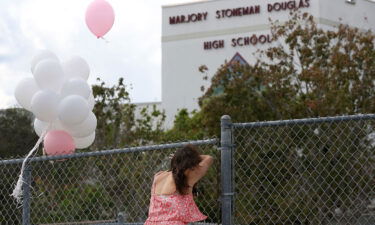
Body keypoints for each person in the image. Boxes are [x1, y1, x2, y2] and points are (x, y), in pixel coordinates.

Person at [144, 144, 214, 225]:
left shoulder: (158, 176)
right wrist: (190, 158)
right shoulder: (187, 176)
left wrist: (178, 157)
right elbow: (209, 158)